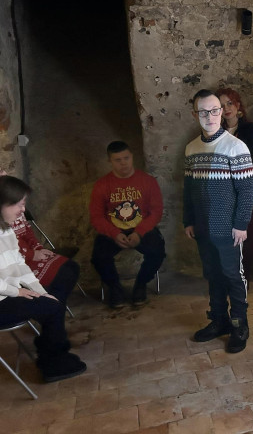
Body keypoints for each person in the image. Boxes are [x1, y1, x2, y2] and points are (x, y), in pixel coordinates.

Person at [184, 89, 253, 353]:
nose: (210, 116)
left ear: (221, 112)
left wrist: (241, 224)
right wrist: (188, 220)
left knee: (233, 276)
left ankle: (239, 325)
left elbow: (247, 190)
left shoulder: (235, 147)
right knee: (212, 275)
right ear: (195, 115)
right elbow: (188, 189)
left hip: (229, 230)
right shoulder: (192, 148)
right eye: (203, 112)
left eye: (214, 110)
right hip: (203, 228)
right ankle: (219, 320)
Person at [0, 176, 86, 382]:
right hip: (3, 299)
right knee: (52, 308)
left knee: (52, 301)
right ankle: (52, 364)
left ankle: (51, 353)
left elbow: (20, 265)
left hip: (8, 293)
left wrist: (41, 292)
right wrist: (18, 291)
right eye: (19, 204)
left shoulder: (6, 229)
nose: (23, 210)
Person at [89, 141, 166, 308]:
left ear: (132, 157)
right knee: (99, 257)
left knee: (157, 252)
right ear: (110, 161)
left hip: (142, 228)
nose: (123, 163)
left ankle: (141, 284)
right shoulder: (102, 185)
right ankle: (115, 288)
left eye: (126, 158)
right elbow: (96, 217)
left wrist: (139, 232)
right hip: (113, 230)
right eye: (117, 160)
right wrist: (114, 233)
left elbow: (156, 212)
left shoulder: (147, 181)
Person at [216, 87, 253, 279]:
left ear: (238, 105)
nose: (227, 108)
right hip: (223, 190)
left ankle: (245, 273)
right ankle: (229, 272)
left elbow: (251, 158)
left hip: (245, 188)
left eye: (230, 103)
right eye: (222, 105)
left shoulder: (250, 129)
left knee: (246, 230)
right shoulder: (216, 132)